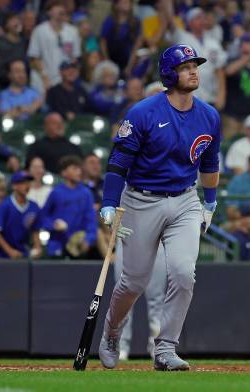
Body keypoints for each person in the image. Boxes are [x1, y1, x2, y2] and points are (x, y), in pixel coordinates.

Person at [98, 43, 221, 371]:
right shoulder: (143, 112)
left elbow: (210, 162)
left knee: (184, 274)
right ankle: (112, 330)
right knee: (133, 282)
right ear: (169, 74)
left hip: (184, 200)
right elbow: (118, 162)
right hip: (140, 200)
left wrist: (210, 202)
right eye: (185, 67)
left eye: (195, 65)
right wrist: (110, 204)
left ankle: (165, 348)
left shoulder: (209, 115)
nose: (193, 71)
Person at [114, 242, 166, 361]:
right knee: (124, 297)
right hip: (127, 237)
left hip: (156, 240)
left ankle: (157, 347)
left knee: (156, 299)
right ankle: (121, 347)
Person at [168, 6, 227, 110]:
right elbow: (170, 21)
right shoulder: (182, 38)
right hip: (188, 97)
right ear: (189, 22)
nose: (202, 21)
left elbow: (220, 70)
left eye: (203, 18)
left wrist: (221, 94)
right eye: (197, 18)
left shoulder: (213, 42)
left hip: (210, 97)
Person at [40, 156, 97, 258]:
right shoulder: (55, 193)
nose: (79, 171)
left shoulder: (86, 193)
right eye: (74, 169)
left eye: (79, 168)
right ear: (64, 173)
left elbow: (91, 220)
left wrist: (88, 239)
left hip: (78, 247)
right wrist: (53, 225)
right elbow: (42, 218)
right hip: (57, 245)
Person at [27, 0, 81, 90]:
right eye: (57, 7)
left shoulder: (73, 31)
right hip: (43, 81)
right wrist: (44, 77)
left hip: (65, 81)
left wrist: (70, 76)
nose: (61, 9)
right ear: (49, 12)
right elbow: (34, 57)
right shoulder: (39, 30)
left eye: (62, 8)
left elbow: (75, 57)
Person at [0, 171, 42, 259]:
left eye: (28, 182)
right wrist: (9, 251)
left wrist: (38, 247)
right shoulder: (5, 205)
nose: (27, 185)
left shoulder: (34, 206)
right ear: (14, 186)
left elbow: (35, 230)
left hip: (21, 252)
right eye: (23, 183)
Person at [99, 0, 142, 75]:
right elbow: (102, 42)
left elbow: (137, 45)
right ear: (116, 5)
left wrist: (129, 66)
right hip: (110, 58)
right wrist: (107, 61)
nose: (126, 3)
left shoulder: (136, 22)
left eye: (128, 1)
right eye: (123, 1)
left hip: (128, 59)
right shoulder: (109, 20)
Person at [0, 12, 28, 89]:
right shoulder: (1, 43)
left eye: (18, 19)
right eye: (13, 20)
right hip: (5, 86)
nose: (17, 22)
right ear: (6, 25)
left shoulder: (25, 42)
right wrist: (13, 79)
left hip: (24, 85)